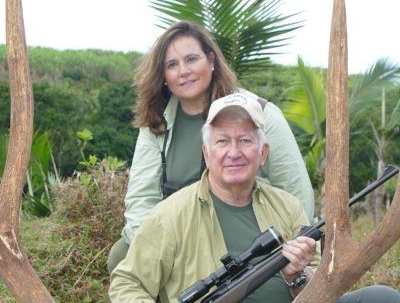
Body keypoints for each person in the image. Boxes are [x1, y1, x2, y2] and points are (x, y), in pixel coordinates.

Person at [109, 94, 400, 303]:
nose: (234, 152)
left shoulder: (287, 206)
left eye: (245, 141)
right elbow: (125, 284)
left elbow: (320, 292)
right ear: (206, 153)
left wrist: (297, 276)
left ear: (263, 153)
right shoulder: (168, 217)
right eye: (222, 141)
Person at [106, 21, 314, 272]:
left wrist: (293, 251)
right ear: (163, 76)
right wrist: (152, 247)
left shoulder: (262, 114)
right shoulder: (156, 124)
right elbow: (142, 198)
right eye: (172, 65)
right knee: (121, 256)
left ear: (211, 60)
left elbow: (296, 191)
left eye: (192, 59)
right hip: (181, 234)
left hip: (248, 232)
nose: (183, 71)